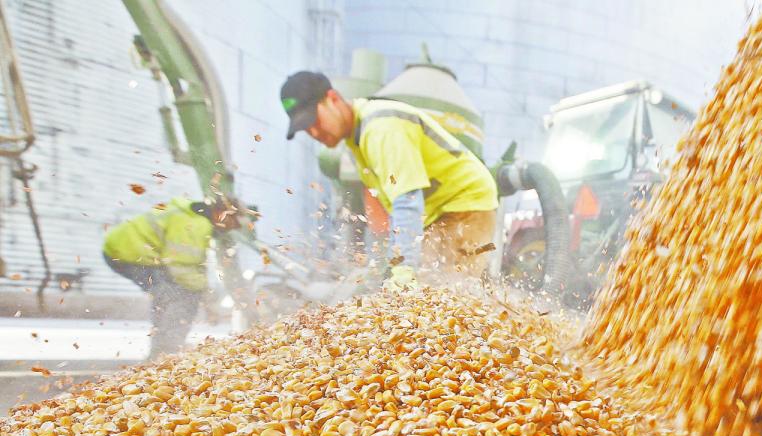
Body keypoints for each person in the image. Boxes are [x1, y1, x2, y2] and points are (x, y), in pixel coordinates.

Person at [280, 70, 498, 288]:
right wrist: (391, 261)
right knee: (423, 290)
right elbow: (389, 212)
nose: (315, 132)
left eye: (315, 120)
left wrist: (404, 268)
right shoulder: (356, 138)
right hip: (439, 211)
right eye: (307, 129)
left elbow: (407, 201)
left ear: (333, 99)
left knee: (444, 291)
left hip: (465, 205)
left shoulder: (380, 128)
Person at [102, 196, 241, 358]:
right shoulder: (195, 224)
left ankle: (164, 348)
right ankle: (167, 350)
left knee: (167, 294)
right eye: (232, 223)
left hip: (124, 250)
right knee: (180, 296)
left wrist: (205, 296)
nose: (230, 229)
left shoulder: (193, 215)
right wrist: (204, 297)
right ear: (222, 213)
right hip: (128, 254)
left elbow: (192, 267)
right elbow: (183, 268)